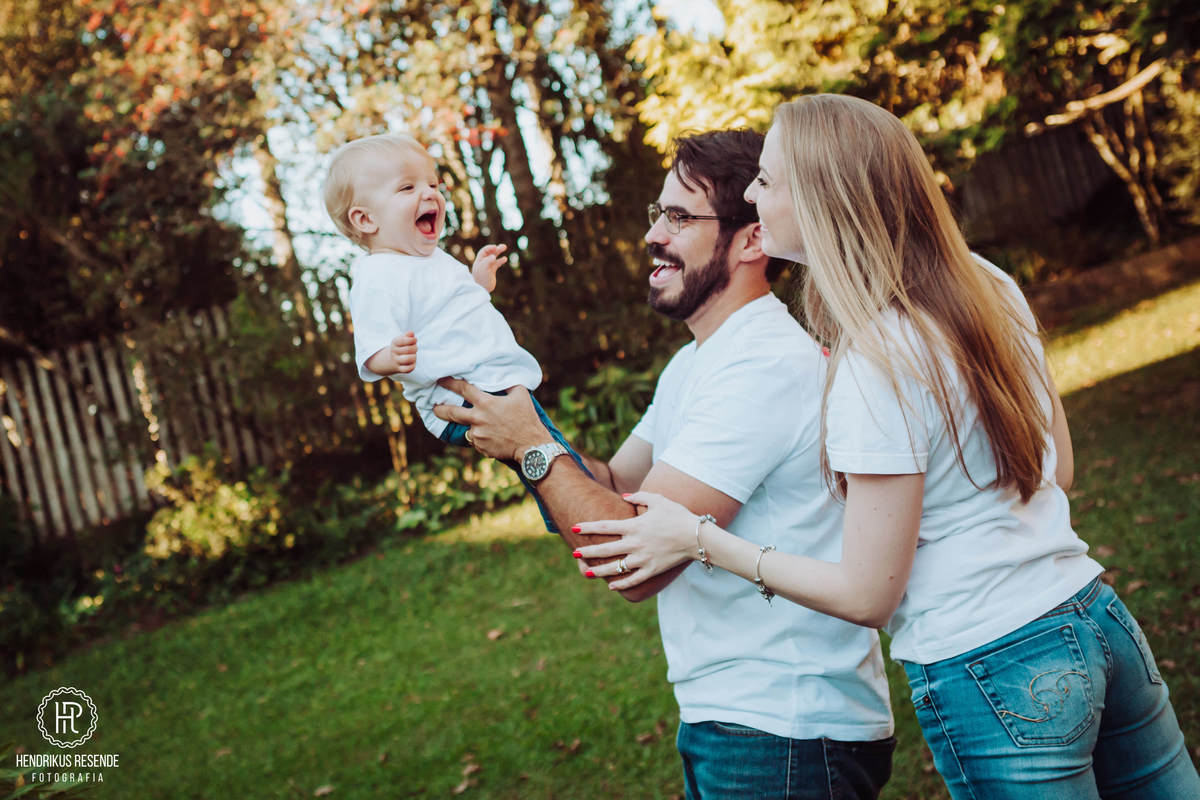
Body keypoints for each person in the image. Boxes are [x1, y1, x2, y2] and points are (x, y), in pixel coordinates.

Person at [572, 95, 1200, 800]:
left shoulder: (874, 356)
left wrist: (699, 538)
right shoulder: (986, 283)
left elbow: (869, 593)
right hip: (1095, 617)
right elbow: (1060, 468)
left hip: (992, 663)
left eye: (768, 182)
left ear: (824, 198)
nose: (751, 194)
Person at [433, 129, 895, 799]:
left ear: (751, 240)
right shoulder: (699, 361)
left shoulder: (760, 364)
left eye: (680, 217)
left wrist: (530, 446)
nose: (654, 234)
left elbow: (631, 555)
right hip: (740, 718)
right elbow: (616, 487)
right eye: (658, 213)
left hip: (783, 727)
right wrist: (508, 415)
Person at [323, 132, 590, 532]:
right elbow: (371, 350)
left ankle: (585, 515)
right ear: (365, 219)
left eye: (433, 184)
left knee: (551, 452)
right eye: (408, 187)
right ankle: (588, 521)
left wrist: (478, 282)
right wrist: (390, 357)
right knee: (552, 454)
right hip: (464, 397)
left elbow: (453, 310)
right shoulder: (378, 274)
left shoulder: (430, 259)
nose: (430, 194)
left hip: (491, 383)